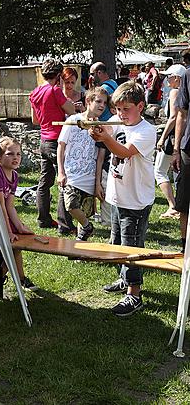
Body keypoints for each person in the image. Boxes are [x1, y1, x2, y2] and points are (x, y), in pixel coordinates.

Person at [90, 81, 156, 316]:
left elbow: (124, 151)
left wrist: (105, 139)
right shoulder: (118, 123)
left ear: (140, 106)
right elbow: (104, 135)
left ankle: (134, 294)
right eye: (117, 109)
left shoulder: (146, 131)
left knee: (132, 248)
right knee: (118, 242)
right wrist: (96, 132)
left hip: (136, 201)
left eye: (126, 109)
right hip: (119, 196)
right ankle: (123, 278)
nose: (120, 114)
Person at [0, 137, 37, 291]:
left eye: (18, 154)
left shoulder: (15, 176)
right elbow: (0, 207)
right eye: (10, 154)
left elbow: (10, 206)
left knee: (21, 237)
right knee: (13, 240)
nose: (16, 158)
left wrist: (19, 227)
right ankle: (20, 278)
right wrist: (8, 231)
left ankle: (3, 272)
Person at [57, 87, 108, 240]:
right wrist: (61, 172)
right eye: (98, 101)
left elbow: (100, 157)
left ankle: (81, 245)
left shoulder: (101, 127)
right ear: (88, 101)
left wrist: (98, 182)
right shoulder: (72, 120)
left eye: (104, 103)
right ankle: (88, 226)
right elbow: (61, 146)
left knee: (84, 212)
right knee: (71, 205)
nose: (102, 105)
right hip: (72, 174)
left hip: (90, 176)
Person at [29, 58, 75, 230]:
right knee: (64, 179)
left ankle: (43, 219)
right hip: (57, 141)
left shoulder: (35, 92)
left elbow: (35, 119)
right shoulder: (55, 90)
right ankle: (64, 223)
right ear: (58, 75)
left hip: (44, 140)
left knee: (44, 182)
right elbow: (70, 111)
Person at [155, 65, 185, 219]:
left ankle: (173, 206)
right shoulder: (184, 91)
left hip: (173, 138)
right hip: (182, 138)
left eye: (169, 76)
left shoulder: (175, 92)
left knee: (159, 171)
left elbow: (173, 117)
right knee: (177, 172)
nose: (167, 79)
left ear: (177, 78)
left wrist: (162, 138)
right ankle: (179, 205)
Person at [172, 49, 190, 253]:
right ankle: (185, 247)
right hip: (188, 148)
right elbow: (181, 114)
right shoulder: (187, 75)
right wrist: (176, 149)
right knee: (184, 201)